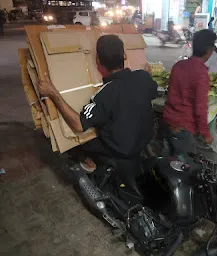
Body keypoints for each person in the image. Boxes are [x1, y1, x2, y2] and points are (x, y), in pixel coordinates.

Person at [39, 35, 158, 172]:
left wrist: (53, 93)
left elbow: (78, 125)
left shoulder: (104, 94)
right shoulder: (143, 78)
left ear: (98, 61)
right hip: (144, 141)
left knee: (73, 142)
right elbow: (150, 90)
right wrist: (147, 76)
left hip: (120, 150)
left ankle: (90, 164)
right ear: (124, 55)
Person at [163, 29, 216, 163]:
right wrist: (206, 134)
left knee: (168, 164)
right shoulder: (201, 73)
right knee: (185, 168)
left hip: (168, 123)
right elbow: (200, 108)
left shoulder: (178, 66)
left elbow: (170, 92)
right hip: (184, 127)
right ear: (209, 50)